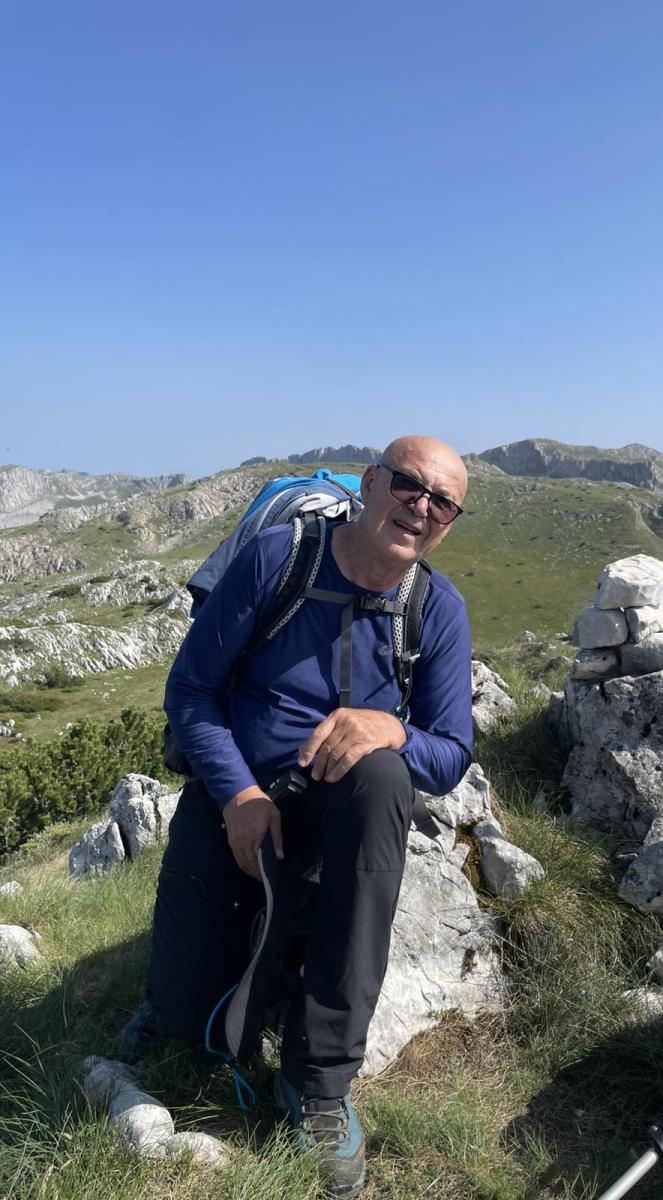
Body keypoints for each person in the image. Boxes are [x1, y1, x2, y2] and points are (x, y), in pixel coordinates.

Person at [124, 435, 472, 1199]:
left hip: (339, 815)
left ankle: (320, 1082)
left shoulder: (436, 609)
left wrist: (394, 732)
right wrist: (238, 797)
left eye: (442, 503)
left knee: (384, 776)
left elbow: (450, 755)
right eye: (408, 486)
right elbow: (191, 693)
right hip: (237, 797)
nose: (421, 508)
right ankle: (184, 991)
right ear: (371, 483)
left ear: (449, 523)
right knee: (186, 1025)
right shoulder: (279, 560)